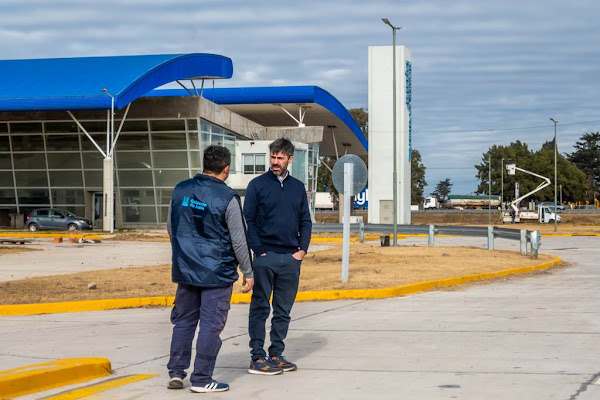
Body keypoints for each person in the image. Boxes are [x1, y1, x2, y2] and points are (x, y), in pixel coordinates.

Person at [167, 145, 254, 393]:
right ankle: (202, 378)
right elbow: (239, 239)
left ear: (204, 164)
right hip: (216, 273)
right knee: (210, 325)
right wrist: (248, 272)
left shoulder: (180, 190)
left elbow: (171, 227)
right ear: (226, 168)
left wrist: (183, 254)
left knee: (183, 321)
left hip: (186, 270)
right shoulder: (228, 197)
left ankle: (176, 371)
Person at [244, 137, 312, 375]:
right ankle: (257, 356)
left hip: (290, 259)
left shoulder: (297, 187)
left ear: (289, 159)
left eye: (280, 157)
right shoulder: (257, 185)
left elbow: (305, 220)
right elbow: (248, 220)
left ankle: (276, 354)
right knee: (260, 307)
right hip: (265, 257)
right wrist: (258, 250)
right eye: (272, 157)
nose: (275, 161)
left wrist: (301, 250)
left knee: (283, 310)